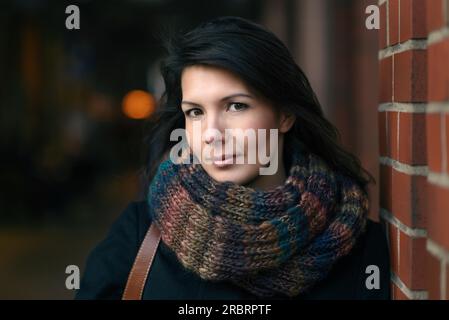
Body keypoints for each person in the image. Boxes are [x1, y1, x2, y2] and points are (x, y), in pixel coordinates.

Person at [76, 16, 390, 300]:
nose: (212, 133)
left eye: (236, 106)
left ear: (285, 115)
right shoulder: (138, 235)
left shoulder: (357, 244)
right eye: (195, 112)